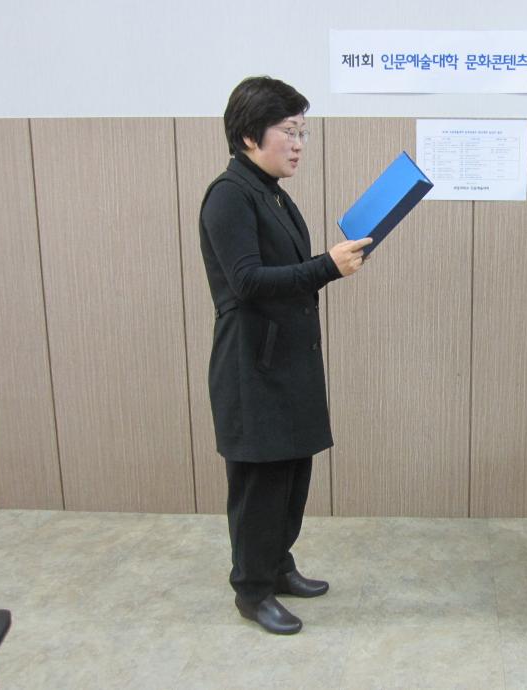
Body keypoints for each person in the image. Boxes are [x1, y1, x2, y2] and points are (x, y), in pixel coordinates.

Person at [199, 76, 371, 635]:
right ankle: (252, 591)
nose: (298, 144)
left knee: (292, 474)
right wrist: (327, 266)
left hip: (288, 361)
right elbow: (247, 281)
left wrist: (331, 263)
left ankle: (277, 565)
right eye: (289, 132)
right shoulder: (229, 194)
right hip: (253, 367)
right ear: (250, 136)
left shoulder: (270, 191)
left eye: (303, 132)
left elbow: (290, 274)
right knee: (261, 484)